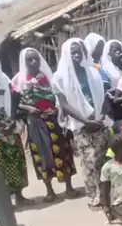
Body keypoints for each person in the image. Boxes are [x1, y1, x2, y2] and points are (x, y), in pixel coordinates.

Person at [52, 38, 112, 209]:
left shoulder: (93, 71)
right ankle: (95, 197)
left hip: (99, 122)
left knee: (103, 160)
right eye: (73, 52)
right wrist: (86, 121)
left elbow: (104, 97)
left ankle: (107, 195)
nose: (77, 55)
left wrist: (101, 117)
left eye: (80, 51)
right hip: (81, 126)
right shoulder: (59, 77)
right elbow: (64, 105)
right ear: (66, 54)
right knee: (90, 161)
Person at [13, 48, 77, 202]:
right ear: (23, 61)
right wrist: (29, 108)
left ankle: (69, 187)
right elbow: (14, 104)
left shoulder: (49, 77)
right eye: (29, 60)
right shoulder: (19, 80)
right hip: (36, 122)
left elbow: (59, 96)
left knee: (63, 151)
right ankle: (49, 190)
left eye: (36, 58)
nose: (33, 62)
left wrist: (57, 109)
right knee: (41, 155)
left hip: (54, 120)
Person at [0, 56, 30, 206]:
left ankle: (19, 196)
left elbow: (14, 102)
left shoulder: (5, 79)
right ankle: (5, 203)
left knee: (16, 160)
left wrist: (11, 120)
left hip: (9, 124)